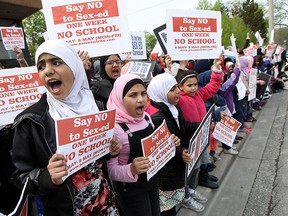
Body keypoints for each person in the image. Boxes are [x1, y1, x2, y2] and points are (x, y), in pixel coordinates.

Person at [12, 40, 121, 216]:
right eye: (41, 66)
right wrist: (48, 177)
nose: (47, 71)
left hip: (105, 205)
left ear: (74, 67)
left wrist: (110, 150)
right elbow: (20, 177)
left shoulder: (96, 106)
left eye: (56, 62)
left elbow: (99, 160)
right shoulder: (30, 121)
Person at [107, 74, 165, 216]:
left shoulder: (146, 117)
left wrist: (168, 142)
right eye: (133, 95)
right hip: (131, 192)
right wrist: (131, 169)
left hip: (152, 182)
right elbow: (111, 171)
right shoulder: (114, 129)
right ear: (120, 98)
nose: (140, 99)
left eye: (143, 93)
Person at [146, 73, 203, 214]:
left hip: (177, 164)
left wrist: (202, 124)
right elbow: (160, 147)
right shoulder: (156, 117)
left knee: (175, 200)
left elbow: (182, 127)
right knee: (167, 207)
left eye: (177, 87)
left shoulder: (174, 108)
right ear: (160, 92)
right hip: (167, 171)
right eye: (172, 89)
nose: (178, 91)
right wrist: (180, 152)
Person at [175, 59, 224, 190]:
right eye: (189, 85)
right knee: (193, 169)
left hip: (202, 137)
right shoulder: (179, 99)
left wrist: (217, 70)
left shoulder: (199, 94)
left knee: (203, 162)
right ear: (180, 87)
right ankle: (188, 192)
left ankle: (202, 179)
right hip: (190, 140)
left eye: (195, 84)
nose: (193, 88)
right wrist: (172, 69)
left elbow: (213, 85)